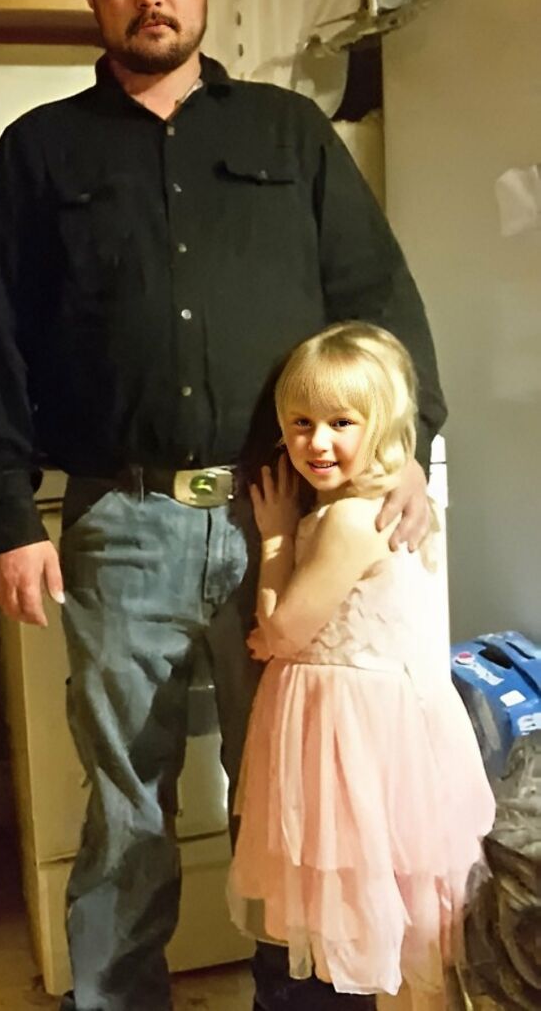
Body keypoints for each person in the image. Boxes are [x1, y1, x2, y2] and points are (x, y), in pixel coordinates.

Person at [0, 0, 448, 1010]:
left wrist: (409, 452)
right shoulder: (37, 152)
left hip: (293, 519)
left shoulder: (291, 131)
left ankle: (300, 997)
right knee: (127, 801)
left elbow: (382, 303)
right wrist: (5, 516)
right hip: (120, 523)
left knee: (288, 790)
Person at [228, 322, 495, 1010]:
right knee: (370, 897)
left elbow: (282, 630)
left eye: (341, 423)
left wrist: (274, 539)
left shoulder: (348, 522)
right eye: (300, 423)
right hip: (350, 722)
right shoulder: (348, 509)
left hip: (350, 736)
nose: (317, 443)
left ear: (382, 425)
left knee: (361, 897)